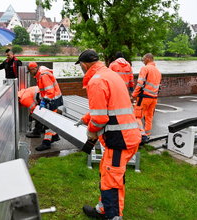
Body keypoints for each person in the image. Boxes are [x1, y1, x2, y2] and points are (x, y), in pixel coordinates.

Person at [75, 49, 141, 219]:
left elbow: (100, 118)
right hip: (125, 136)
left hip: (119, 140)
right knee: (109, 175)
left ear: (84, 65)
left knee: (111, 181)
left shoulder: (96, 81)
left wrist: (91, 131)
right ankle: (103, 209)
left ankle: (112, 216)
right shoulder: (110, 75)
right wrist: (84, 119)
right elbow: (107, 107)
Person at [27, 62, 63, 151]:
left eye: (30, 71)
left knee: (48, 121)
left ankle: (46, 143)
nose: (30, 73)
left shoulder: (43, 75)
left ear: (34, 69)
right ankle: (54, 136)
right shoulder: (40, 74)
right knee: (49, 120)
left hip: (52, 100)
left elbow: (50, 91)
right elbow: (45, 90)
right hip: (52, 99)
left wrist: (44, 101)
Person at [132, 53, 162, 143]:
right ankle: (147, 135)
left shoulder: (145, 69)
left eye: (143, 59)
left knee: (137, 116)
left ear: (148, 59)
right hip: (154, 98)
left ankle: (142, 135)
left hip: (144, 98)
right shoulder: (158, 71)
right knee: (149, 117)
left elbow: (140, 84)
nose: (143, 61)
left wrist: (134, 95)